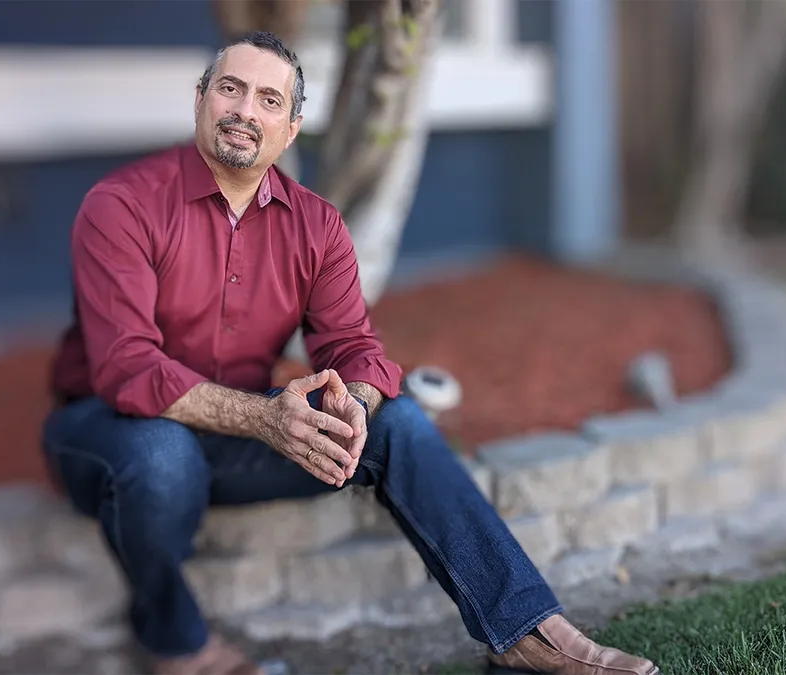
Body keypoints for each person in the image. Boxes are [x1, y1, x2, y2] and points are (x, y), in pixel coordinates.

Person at [41, 30, 659, 675]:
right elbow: (126, 367)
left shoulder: (316, 225)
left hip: (235, 435)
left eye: (269, 100)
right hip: (108, 428)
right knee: (161, 457)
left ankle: (526, 633)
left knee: (397, 420)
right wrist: (265, 418)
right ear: (200, 101)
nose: (245, 111)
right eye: (230, 89)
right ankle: (176, 643)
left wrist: (356, 403)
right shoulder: (123, 206)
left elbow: (353, 347)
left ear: (291, 127)